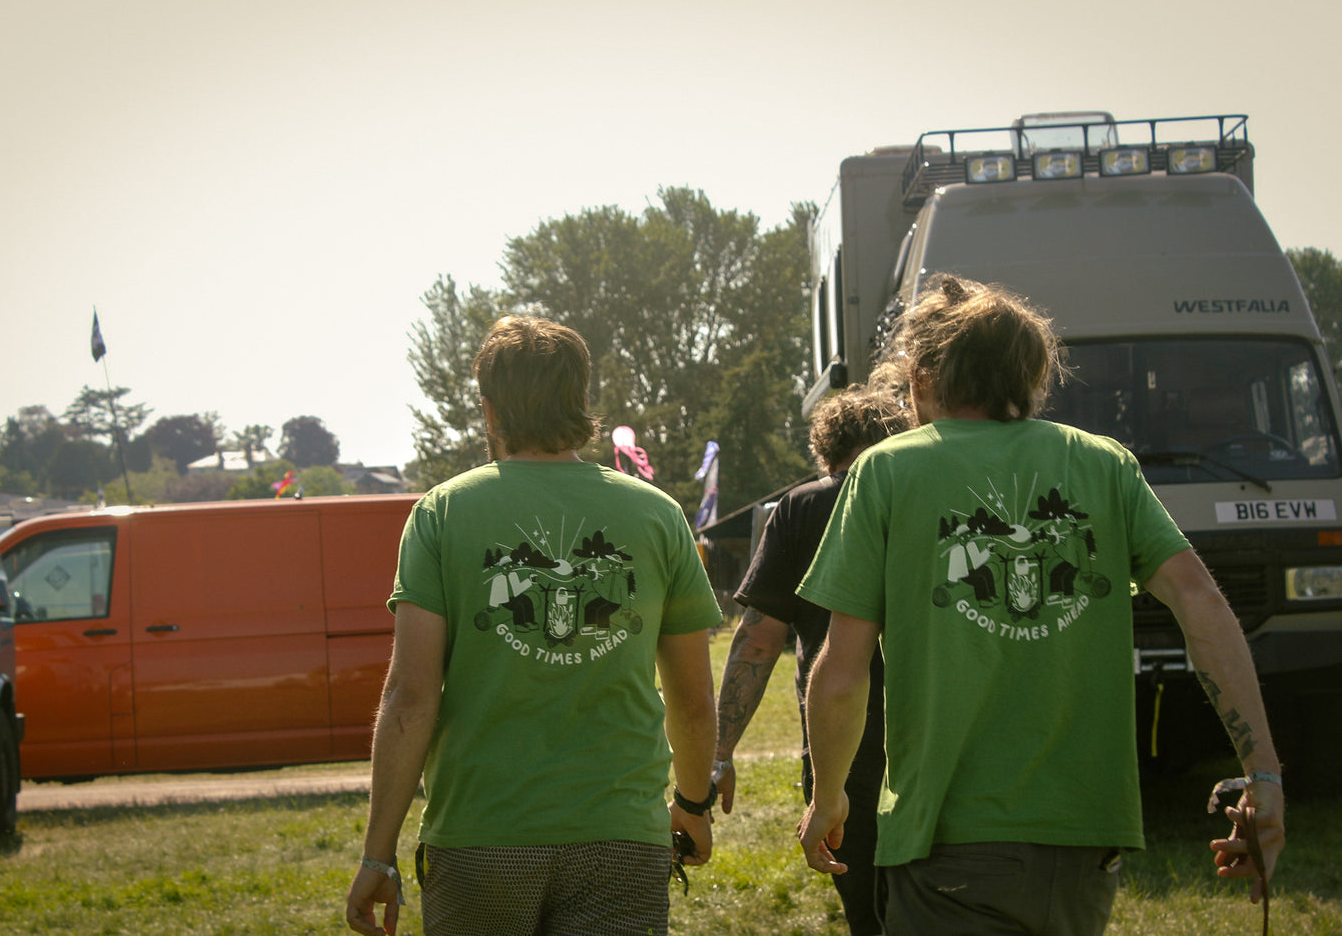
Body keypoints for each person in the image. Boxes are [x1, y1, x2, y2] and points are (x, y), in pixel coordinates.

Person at [796, 276, 1285, 936]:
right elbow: (1200, 603)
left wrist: (826, 798)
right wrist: (1262, 772)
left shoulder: (885, 471)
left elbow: (841, 670)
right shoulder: (1104, 464)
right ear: (1030, 376)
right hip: (1087, 842)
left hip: (947, 840)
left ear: (919, 377)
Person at [345, 315, 721, 936]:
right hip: (622, 834)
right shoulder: (657, 515)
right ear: (581, 401)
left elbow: (411, 697)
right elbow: (693, 697)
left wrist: (377, 853)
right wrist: (692, 803)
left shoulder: (441, 514)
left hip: (480, 837)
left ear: (489, 411)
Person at [712, 384, 911, 935]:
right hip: (938, 740)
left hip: (838, 754)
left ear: (825, 450)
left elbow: (758, 641)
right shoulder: (928, 492)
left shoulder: (804, 505)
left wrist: (719, 752)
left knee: (870, 914)